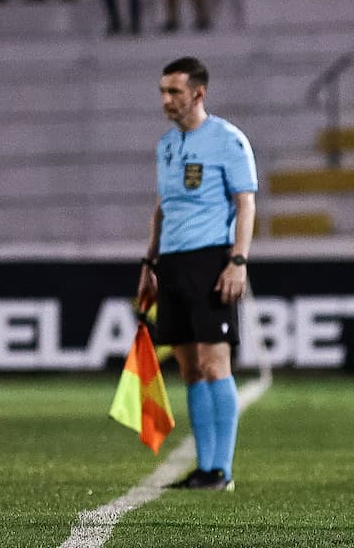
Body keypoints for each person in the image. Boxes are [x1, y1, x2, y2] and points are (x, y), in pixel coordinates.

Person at [137, 56, 258, 491]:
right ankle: (205, 468)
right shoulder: (166, 145)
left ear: (198, 93)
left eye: (174, 91)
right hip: (171, 263)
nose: (166, 100)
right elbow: (163, 206)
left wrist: (237, 261)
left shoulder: (227, 141)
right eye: (163, 92)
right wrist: (150, 263)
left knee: (213, 362)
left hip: (212, 260)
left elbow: (245, 203)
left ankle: (221, 470)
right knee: (188, 368)